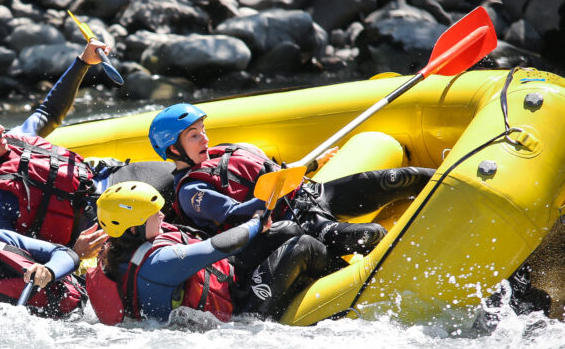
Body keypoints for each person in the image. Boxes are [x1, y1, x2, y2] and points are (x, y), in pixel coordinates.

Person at [149, 103, 435, 261]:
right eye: (194, 135)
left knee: (403, 179)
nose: (205, 138)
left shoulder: (220, 151)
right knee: (372, 234)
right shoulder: (191, 191)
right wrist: (271, 195)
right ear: (174, 148)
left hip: (313, 195)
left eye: (202, 130)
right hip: (296, 224)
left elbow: (265, 170)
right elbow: (236, 214)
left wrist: (310, 165)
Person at [0, 38, 114, 259]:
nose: (0, 129)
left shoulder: (15, 139)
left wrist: (83, 62)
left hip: (105, 180)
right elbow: (18, 262)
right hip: (100, 221)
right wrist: (74, 255)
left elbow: (50, 111)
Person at [87, 181, 329, 325]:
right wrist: (257, 221)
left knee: (287, 229)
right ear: (133, 227)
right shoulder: (160, 263)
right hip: (239, 312)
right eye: (154, 214)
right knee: (304, 246)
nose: (161, 215)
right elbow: (222, 246)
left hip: (223, 280)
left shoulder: (114, 247)